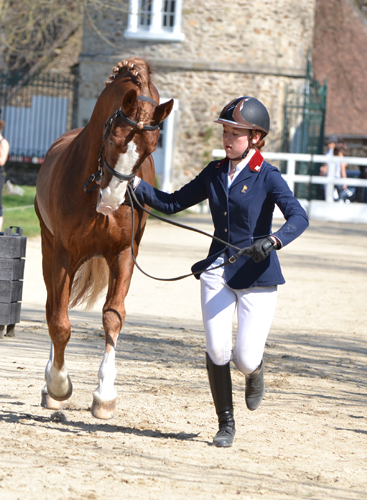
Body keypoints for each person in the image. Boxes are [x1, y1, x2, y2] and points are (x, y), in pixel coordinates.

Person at [131, 96, 309, 447]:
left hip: (257, 276)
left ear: (256, 136)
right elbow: (172, 202)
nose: (227, 139)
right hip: (217, 271)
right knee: (217, 350)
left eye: (236, 133)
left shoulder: (268, 176)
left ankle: (255, 370)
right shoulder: (214, 173)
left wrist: (273, 241)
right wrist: (135, 186)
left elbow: (299, 217)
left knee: (244, 358)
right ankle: (225, 424)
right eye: (225, 131)